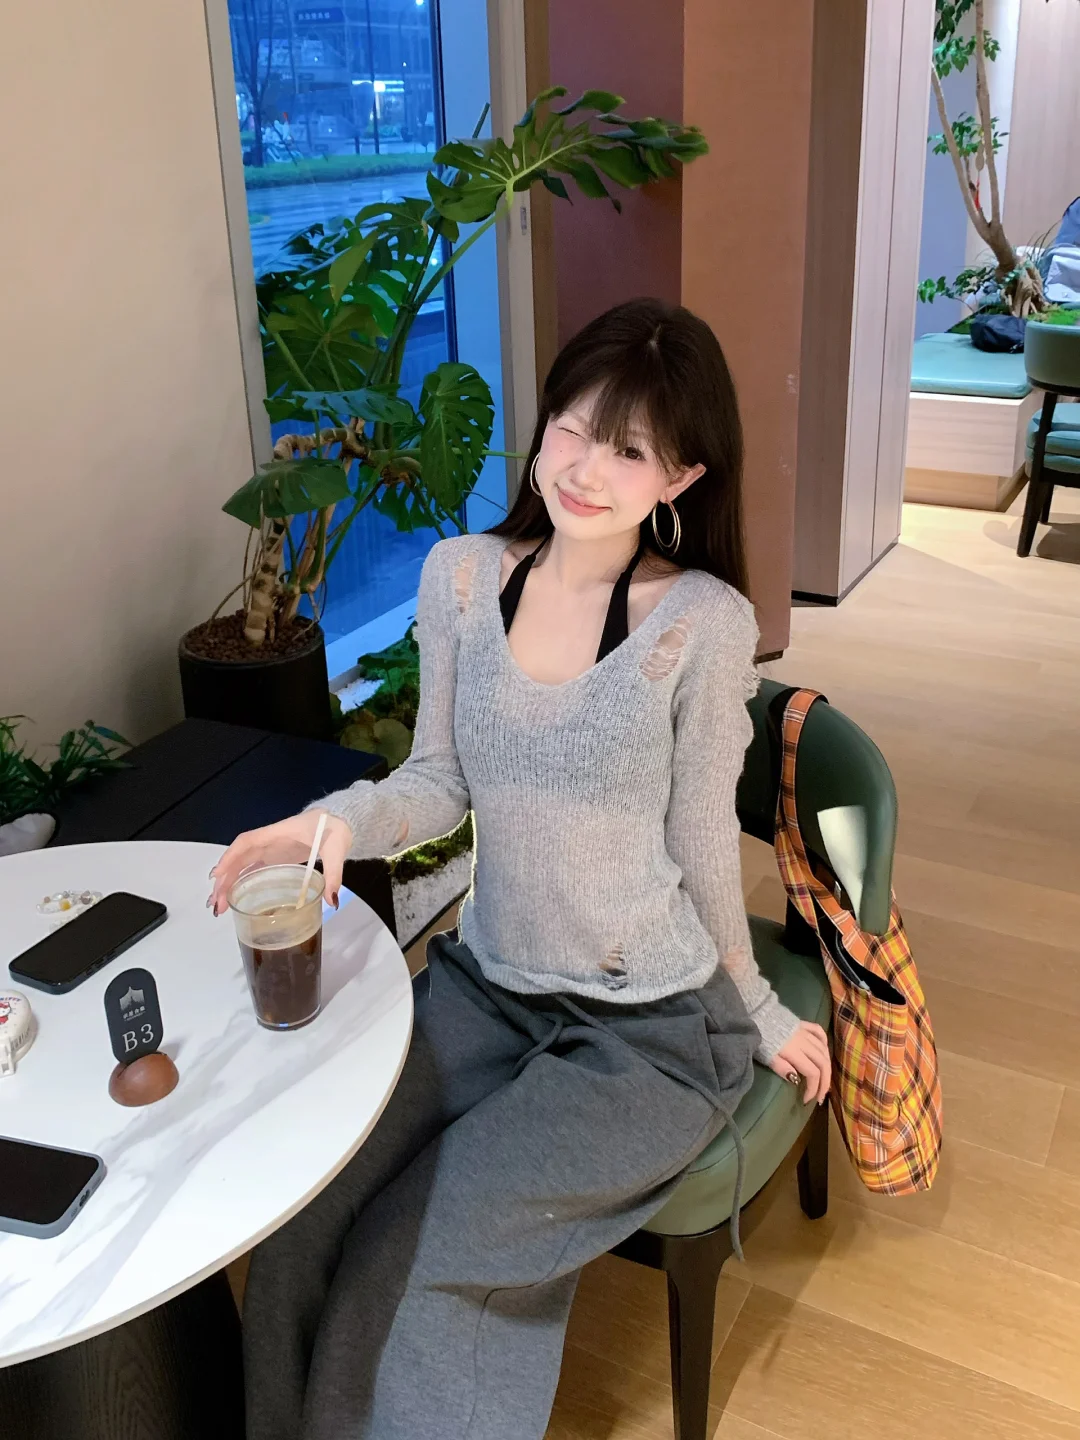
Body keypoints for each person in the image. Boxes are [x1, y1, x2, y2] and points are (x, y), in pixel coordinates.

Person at [209, 297, 831, 1440]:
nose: (586, 469)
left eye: (630, 450)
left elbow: (703, 845)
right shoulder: (460, 579)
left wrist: (753, 1009)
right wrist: (328, 823)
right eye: (572, 428)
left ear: (682, 477)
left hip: (647, 1032)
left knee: (414, 1250)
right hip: (487, 988)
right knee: (302, 1226)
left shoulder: (702, 623)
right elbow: (436, 781)